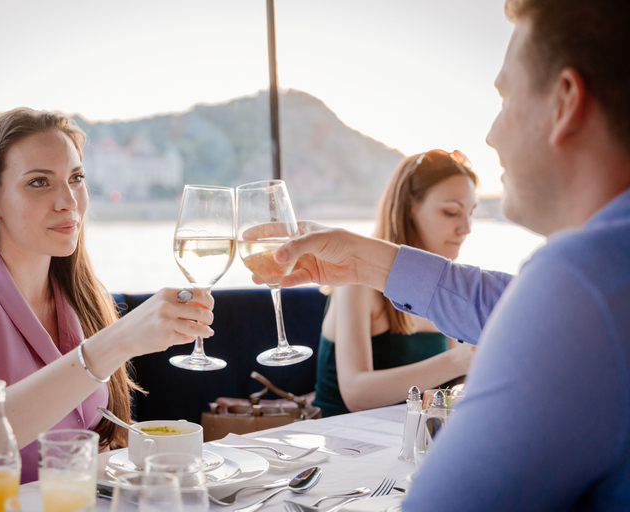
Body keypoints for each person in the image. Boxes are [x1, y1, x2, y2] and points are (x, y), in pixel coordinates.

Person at [258, 0, 630, 509]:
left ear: (564, 102)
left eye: (504, 98)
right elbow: (502, 303)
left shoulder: (581, 279)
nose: (491, 135)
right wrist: (367, 261)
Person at [0, 108, 215, 511]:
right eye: (39, 182)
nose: (68, 201)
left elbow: (98, 448)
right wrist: (117, 342)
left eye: (76, 179)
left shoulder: (82, 297)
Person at [314, 150, 478, 417]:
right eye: (451, 212)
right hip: (348, 445)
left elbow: (451, 385)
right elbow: (356, 394)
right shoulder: (358, 280)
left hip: (411, 441)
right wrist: (458, 361)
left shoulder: (444, 284)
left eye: (471, 213)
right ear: (411, 206)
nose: (467, 227)